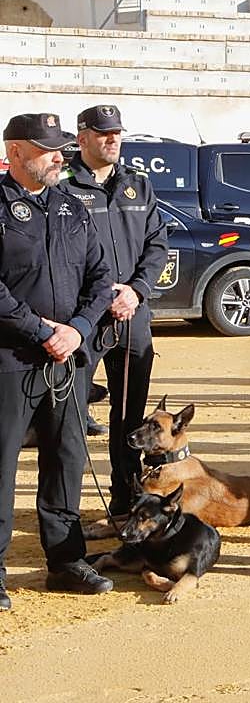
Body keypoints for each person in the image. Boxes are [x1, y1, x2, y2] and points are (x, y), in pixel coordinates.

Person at [0, 112, 115, 609]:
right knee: (2, 466)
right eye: (47, 148)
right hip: (10, 359)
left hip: (68, 360)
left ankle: (66, 562)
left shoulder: (71, 207)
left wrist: (79, 329)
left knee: (66, 459)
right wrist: (41, 330)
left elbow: (100, 275)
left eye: (60, 147)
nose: (58, 156)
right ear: (17, 151)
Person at [62, 105, 168, 520]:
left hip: (131, 316)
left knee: (130, 416)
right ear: (82, 137)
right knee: (70, 416)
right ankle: (65, 505)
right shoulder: (64, 185)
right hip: (82, 320)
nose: (113, 140)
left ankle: (126, 495)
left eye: (118, 133)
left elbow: (157, 245)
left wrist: (137, 290)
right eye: (104, 133)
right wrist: (101, 294)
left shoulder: (138, 185)